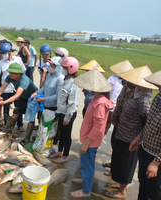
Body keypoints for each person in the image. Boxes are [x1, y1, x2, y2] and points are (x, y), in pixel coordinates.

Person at [107, 66, 156, 198]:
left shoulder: (144, 99)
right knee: (119, 162)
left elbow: (145, 120)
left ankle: (122, 191)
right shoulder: (136, 93)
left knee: (126, 165)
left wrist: (138, 138)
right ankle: (120, 184)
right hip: (122, 133)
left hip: (130, 138)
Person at [70, 69, 114, 198]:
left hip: (91, 141)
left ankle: (86, 190)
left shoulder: (100, 102)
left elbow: (98, 126)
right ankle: (85, 181)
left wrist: (86, 144)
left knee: (88, 165)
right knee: (85, 163)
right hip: (88, 139)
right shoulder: (97, 97)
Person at [129, 70, 161, 200]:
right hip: (145, 148)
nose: (159, 90)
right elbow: (149, 122)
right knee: (142, 182)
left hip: (156, 156)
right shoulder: (158, 99)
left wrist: (156, 163)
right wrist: (139, 137)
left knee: (154, 190)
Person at [101, 60, 134, 175]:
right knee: (112, 139)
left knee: (118, 143)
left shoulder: (131, 87)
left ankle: (115, 167)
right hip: (115, 114)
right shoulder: (120, 83)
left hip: (123, 120)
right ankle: (114, 162)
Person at [0, 63, 38, 143]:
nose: (11, 74)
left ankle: (27, 138)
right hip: (23, 96)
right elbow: (1, 89)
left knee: (31, 119)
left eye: (13, 73)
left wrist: (4, 102)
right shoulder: (9, 77)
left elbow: (17, 95)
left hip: (33, 98)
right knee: (15, 112)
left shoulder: (24, 79)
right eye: (10, 72)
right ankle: (7, 133)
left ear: (19, 73)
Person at [50, 57, 80, 163]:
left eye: (64, 68)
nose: (62, 69)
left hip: (68, 114)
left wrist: (68, 117)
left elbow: (73, 103)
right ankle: (59, 151)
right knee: (61, 133)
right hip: (61, 112)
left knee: (67, 135)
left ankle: (65, 156)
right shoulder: (66, 79)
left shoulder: (74, 83)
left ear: (71, 69)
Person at [0, 43, 26, 130]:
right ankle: (7, 124)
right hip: (6, 89)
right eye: (2, 54)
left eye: (4, 53)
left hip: (16, 88)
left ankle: (20, 125)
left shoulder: (18, 60)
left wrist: (22, 85)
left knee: (18, 107)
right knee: (6, 108)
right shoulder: (1, 63)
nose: (3, 55)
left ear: (10, 51)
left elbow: (23, 72)